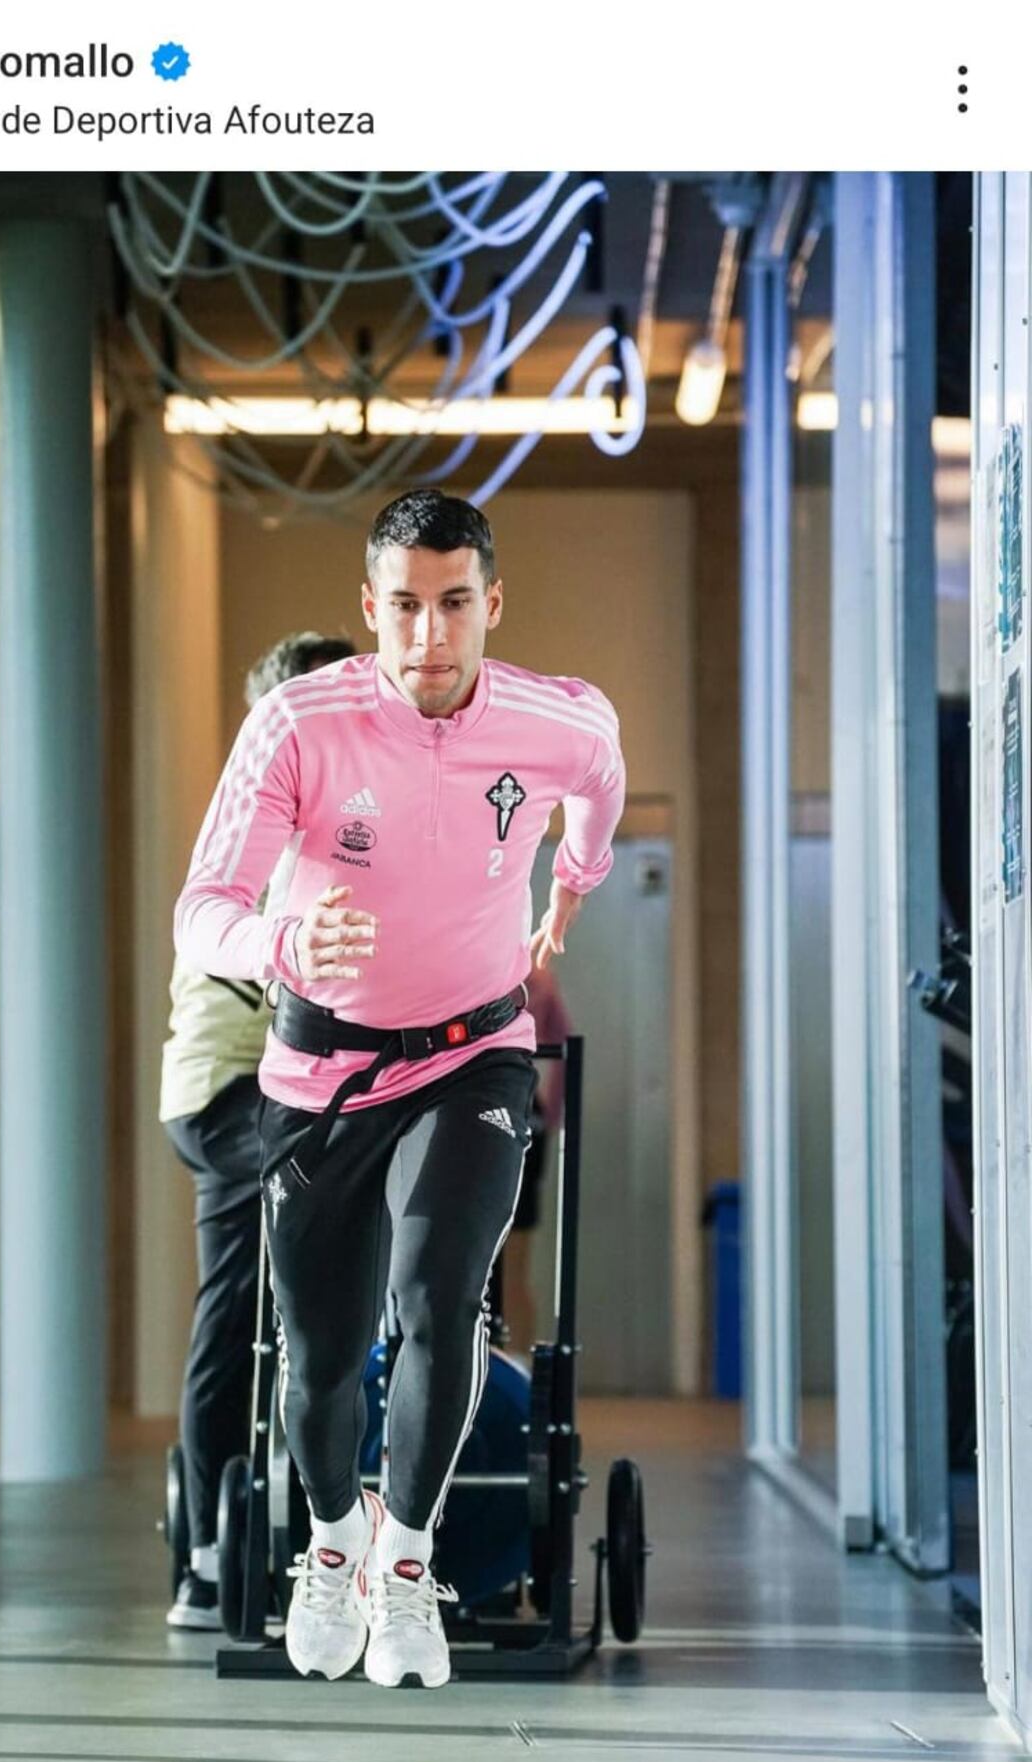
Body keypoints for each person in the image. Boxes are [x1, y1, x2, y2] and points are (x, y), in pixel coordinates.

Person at [174, 489, 625, 1688]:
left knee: (438, 1297)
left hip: (474, 1055)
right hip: (322, 1072)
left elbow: (600, 774)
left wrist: (571, 885)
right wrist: (281, 942)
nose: (430, 634)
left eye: (454, 604)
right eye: (406, 607)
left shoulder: (551, 719)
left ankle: (408, 1563)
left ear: (492, 604)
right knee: (320, 1350)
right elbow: (201, 908)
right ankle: (334, 1541)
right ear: (369, 608)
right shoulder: (295, 725)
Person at [161, 631, 356, 1630]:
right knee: (267, 1288)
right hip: (231, 1091)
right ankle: (213, 1553)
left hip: (243, 1091)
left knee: (234, 1308)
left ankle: (212, 1554)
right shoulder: (275, 819)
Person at [499, 961, 573, 1362]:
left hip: (515, 1107)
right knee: (513, 1260)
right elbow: (565, 1042)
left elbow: (565, 1046)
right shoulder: (537, 974)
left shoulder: (533, 974)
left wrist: (552, 1112)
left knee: (510, 1257)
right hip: (524, 1108)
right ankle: (515, 1364)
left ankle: (515, 1365)